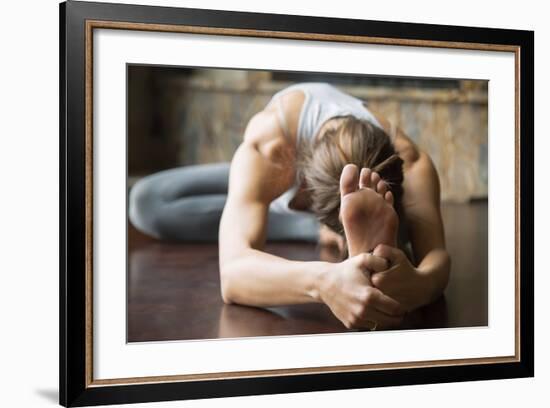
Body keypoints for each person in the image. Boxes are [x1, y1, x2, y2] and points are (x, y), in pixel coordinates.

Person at [130, 83, 451, 330]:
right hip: (279, 185)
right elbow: (232, 275)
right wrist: (323, 282)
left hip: (368, 198)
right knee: (146, 201)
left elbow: (437, 257)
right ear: (305, 189)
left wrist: (420, 285)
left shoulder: (410, 160)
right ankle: (326, 234)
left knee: (409, 222)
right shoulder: (272, 145)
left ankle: (369, 244)